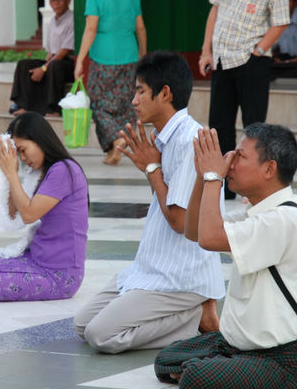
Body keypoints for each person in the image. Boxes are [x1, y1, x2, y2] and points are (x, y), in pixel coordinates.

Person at [151, 123, 297, 389]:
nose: (229, 162)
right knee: (166, 359)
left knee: (196, 379)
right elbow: (194, 230)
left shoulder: (283, 220)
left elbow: (208, 237)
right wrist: (202, 176)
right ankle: (229, 365)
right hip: (238, 347)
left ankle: (223, 370)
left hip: (283, 361)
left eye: (239, 156)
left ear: (268, 169)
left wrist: (213, 175)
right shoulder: (258, 212)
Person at [74, 52, 225, 354]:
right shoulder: (161, 137)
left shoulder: (189, 140)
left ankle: (196, 316)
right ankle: (191, 315)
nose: (133, 100)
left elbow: (181, 222)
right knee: (82, 324)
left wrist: (152, 170)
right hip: (151, 267)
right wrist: (152, 166)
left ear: (165, 93)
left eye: (140, 91)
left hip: (180, 276)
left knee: (101, 336)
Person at [198, 0, 290, 200]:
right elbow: (215, 11)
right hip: (223, 60)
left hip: (252, 61)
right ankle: (223, 188)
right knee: (219, 126)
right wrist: (206, 50)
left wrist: (259, 51)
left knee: (254, 129)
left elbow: (280, 22)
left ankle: (254, 186)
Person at [0, 112, 88, 301]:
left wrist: (12, 174)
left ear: (40, 140)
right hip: (37, 260)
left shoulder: (64, 170)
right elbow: (13, 214)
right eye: (18, 153)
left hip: (60, 275)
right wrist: (8, 171)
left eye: (23, 150)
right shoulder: (43, 171)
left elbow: (29, 215)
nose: (22, 158)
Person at [74, 0, 146, 165]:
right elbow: (140, 28)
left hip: (104, 58)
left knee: (97, 104)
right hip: (130, 56)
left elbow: (91, 27)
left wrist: (80, 59)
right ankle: (118, 144)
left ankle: (116, 139)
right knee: (127, 103)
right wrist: (142, 56)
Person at [9, 0, 75, 116]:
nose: (55, 4)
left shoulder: (72, 20)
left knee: (54, 66)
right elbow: (50, 52)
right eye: (52, 1)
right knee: (24, 64)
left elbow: (65, 51)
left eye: (59, 0)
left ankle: (54, 109)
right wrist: (43, 66)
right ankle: (23, 105)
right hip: (54, 59)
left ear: (68, 1)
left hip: (68, 62)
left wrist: (44, 68)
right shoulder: (52, 21)